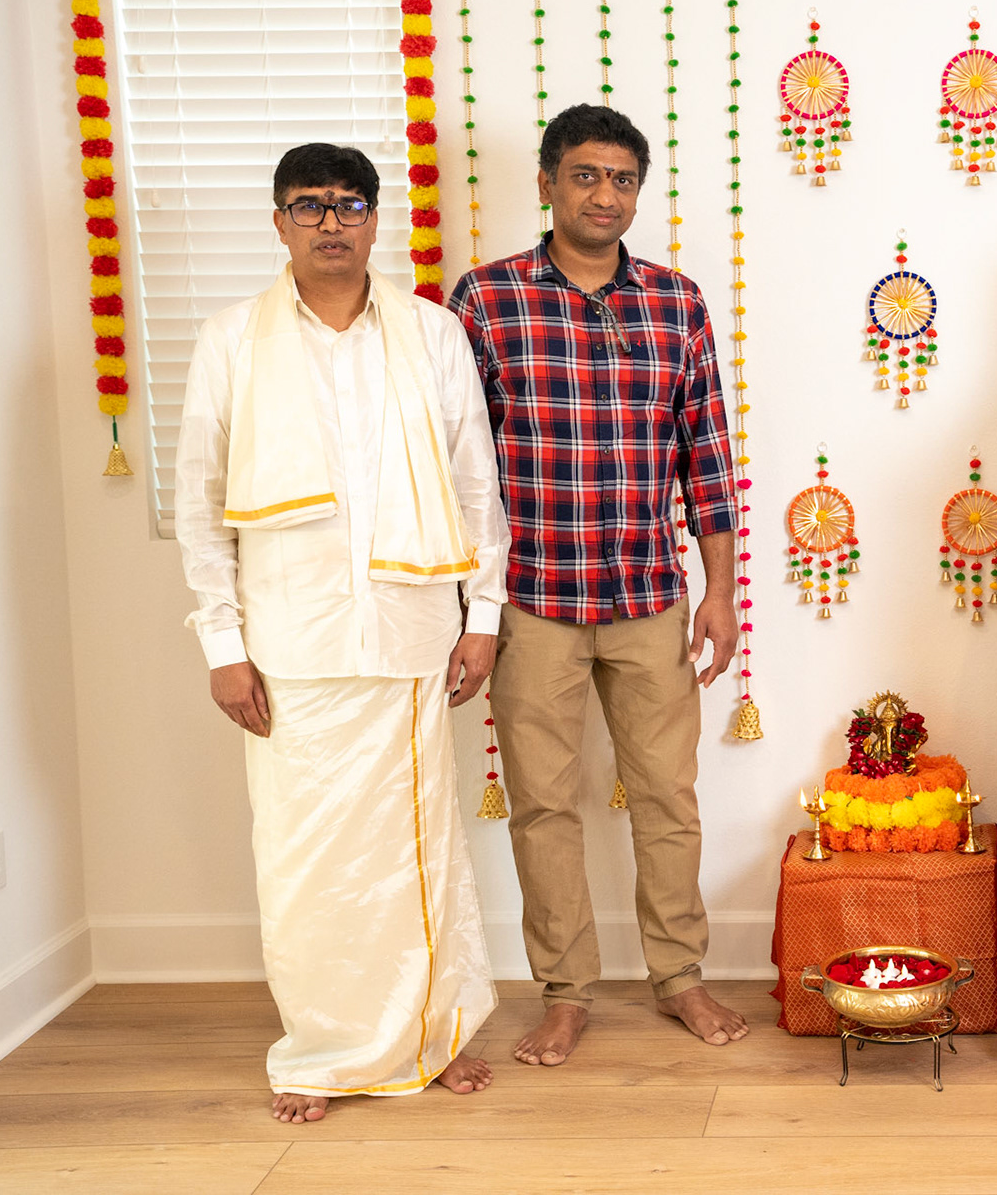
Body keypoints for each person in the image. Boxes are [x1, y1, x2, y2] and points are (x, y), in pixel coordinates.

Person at [175, 143, 505, 1124]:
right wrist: (222, 645)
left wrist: (483, 617)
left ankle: (432, 1036)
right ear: (279, 222)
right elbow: (199, 502)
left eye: (349, 204)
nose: (331, 222)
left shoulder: (432, 333)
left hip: (410, 633)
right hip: (290, 646)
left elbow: (476, 485)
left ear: (375, 218)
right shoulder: (232, 340)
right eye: (309, 205)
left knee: (418, 854)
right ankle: (321, 1054)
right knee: (305, 861)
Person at [448, 103, 748, 1064]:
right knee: (542, 805)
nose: (604, 195)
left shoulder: (677, 302)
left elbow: (707, 457)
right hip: (531, 600)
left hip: (650, 595)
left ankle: (681, 978)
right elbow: (459, 466)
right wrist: (471, 607)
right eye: (585, 175)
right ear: (547, 184)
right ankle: (566, 992)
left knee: (669, 798)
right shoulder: (485, 300)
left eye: (622, 179)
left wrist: (720, 593)